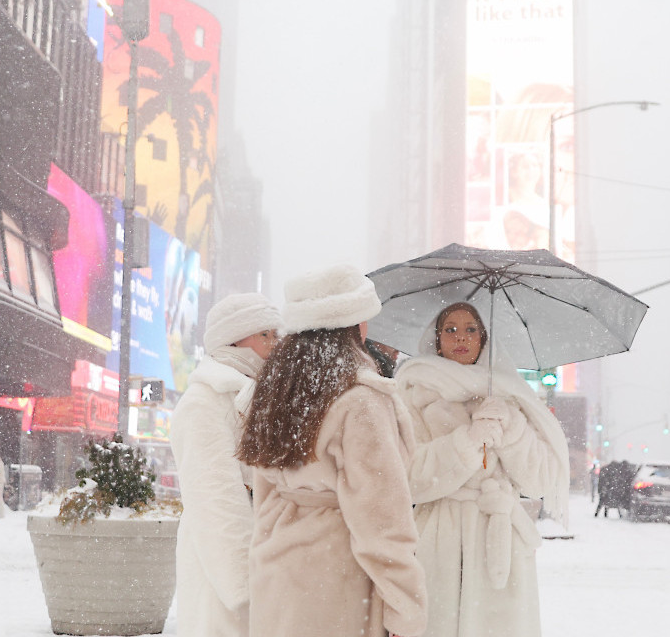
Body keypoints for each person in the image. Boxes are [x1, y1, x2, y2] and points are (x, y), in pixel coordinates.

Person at [237, 264, 426, 637]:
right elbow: (382, 520)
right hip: (337, 580)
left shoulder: (278, 391)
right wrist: (405, 610)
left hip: (278, 572)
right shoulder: (361, 400)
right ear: (355, 325)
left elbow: (263, 495)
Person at [395, 301, 569, 637]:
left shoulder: (511, 394)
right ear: (437, 338)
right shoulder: (413, 391)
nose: (461, 337)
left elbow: (540, 480)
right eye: (451, 329)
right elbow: (409, 477)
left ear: (484, 338)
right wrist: (468, 441)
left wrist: (511, 429)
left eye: (471, 329)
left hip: (500, 539)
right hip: (439, 538)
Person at [170, 292, 282, 637]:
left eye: (276, 334)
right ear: (235, 338)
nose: (275, 343)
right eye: (265, 334)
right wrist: (244, 583)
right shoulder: (206, 400)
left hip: (263, 550)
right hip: (221, 565)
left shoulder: (261, 393)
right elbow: (214, 495)